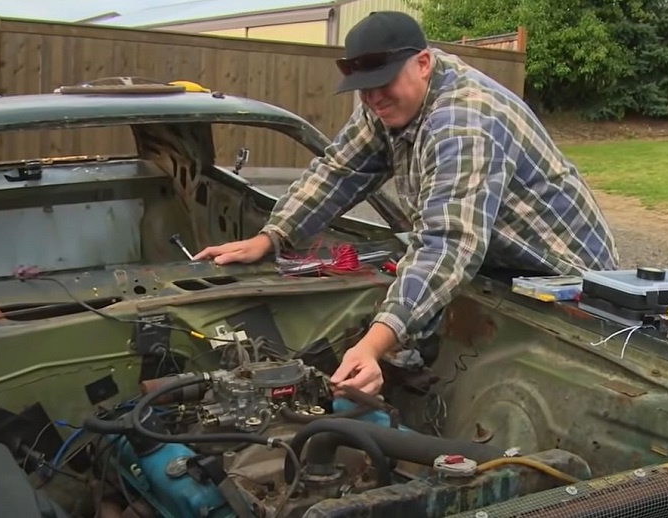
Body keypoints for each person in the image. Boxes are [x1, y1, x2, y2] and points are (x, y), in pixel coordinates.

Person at [193, 12, 619, 396]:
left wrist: (373, 343)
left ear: (423, 63)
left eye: (383, 84)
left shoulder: (463, 122)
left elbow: (448, 244)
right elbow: (340, 170)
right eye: (363, 90)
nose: (373, 99)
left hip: (565, 280)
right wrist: (273, 236)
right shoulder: (386, 104)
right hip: (494, 261)